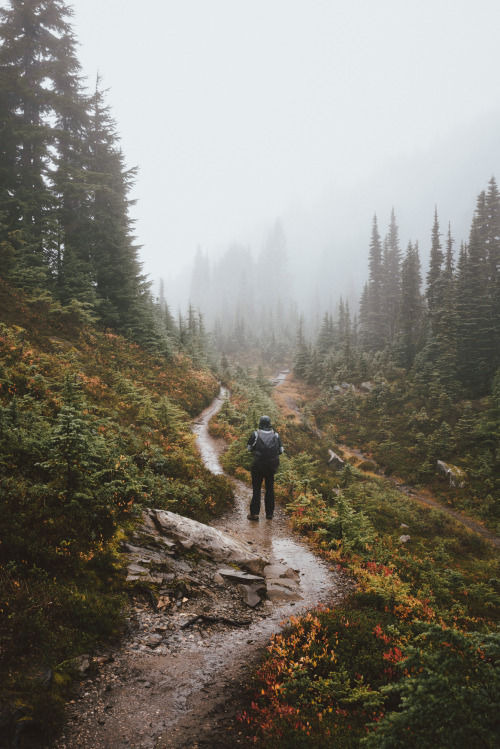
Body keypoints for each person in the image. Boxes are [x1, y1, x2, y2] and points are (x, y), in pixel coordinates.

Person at [246, 414, 284, 520]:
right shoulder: (276, 435)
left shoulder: (255, 434)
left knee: (257, 489)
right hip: (271, 467)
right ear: (269, 424)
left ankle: (254, 514)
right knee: (270, 489)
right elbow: (281, 451)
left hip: (258, 466)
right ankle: (269, 514)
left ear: (260, 423)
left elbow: (249, 449)